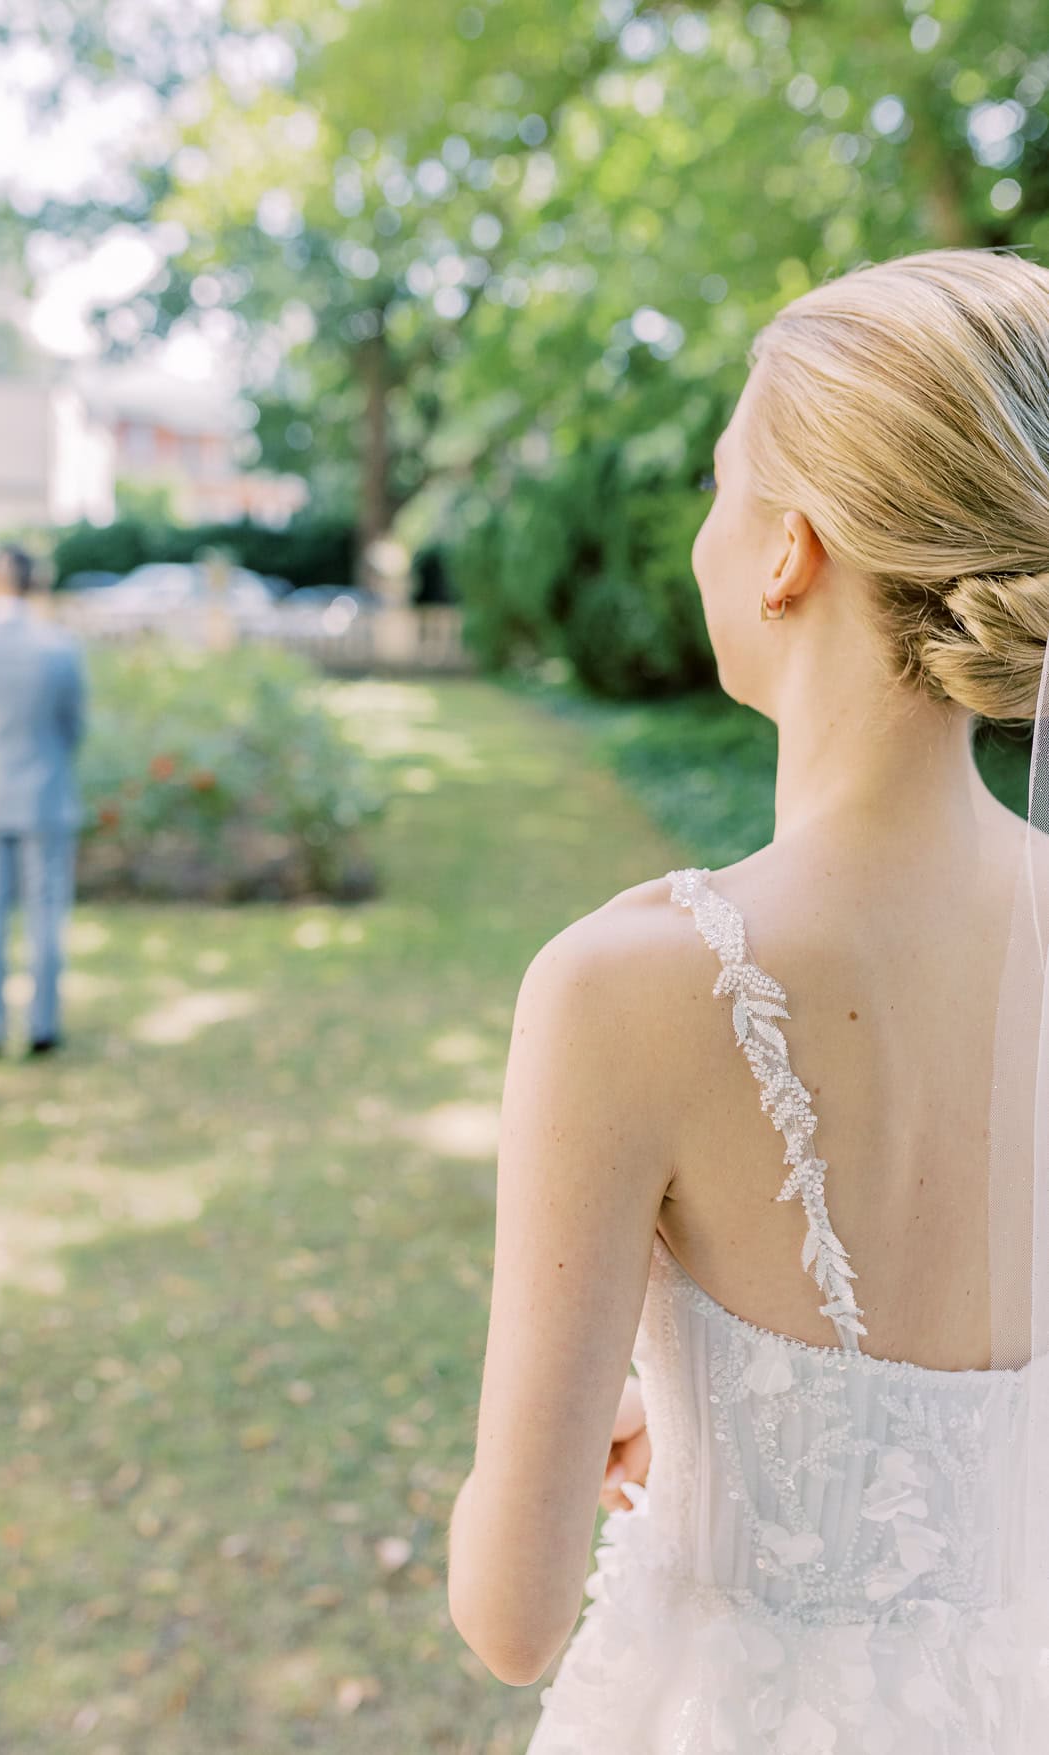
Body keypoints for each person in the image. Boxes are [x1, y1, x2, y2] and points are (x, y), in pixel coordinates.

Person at [447, 248, 1049, 1749]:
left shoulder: (627, 986)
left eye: (723, 485)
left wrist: (584, 1425)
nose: (705, 533)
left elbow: (509, 1617)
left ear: (787, 550)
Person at [0, 544, 87, 1058]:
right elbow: (73, 728)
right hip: (45, 796)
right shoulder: (59, 647)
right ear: (33, 586)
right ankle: (43, 1026)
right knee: (46, 914)